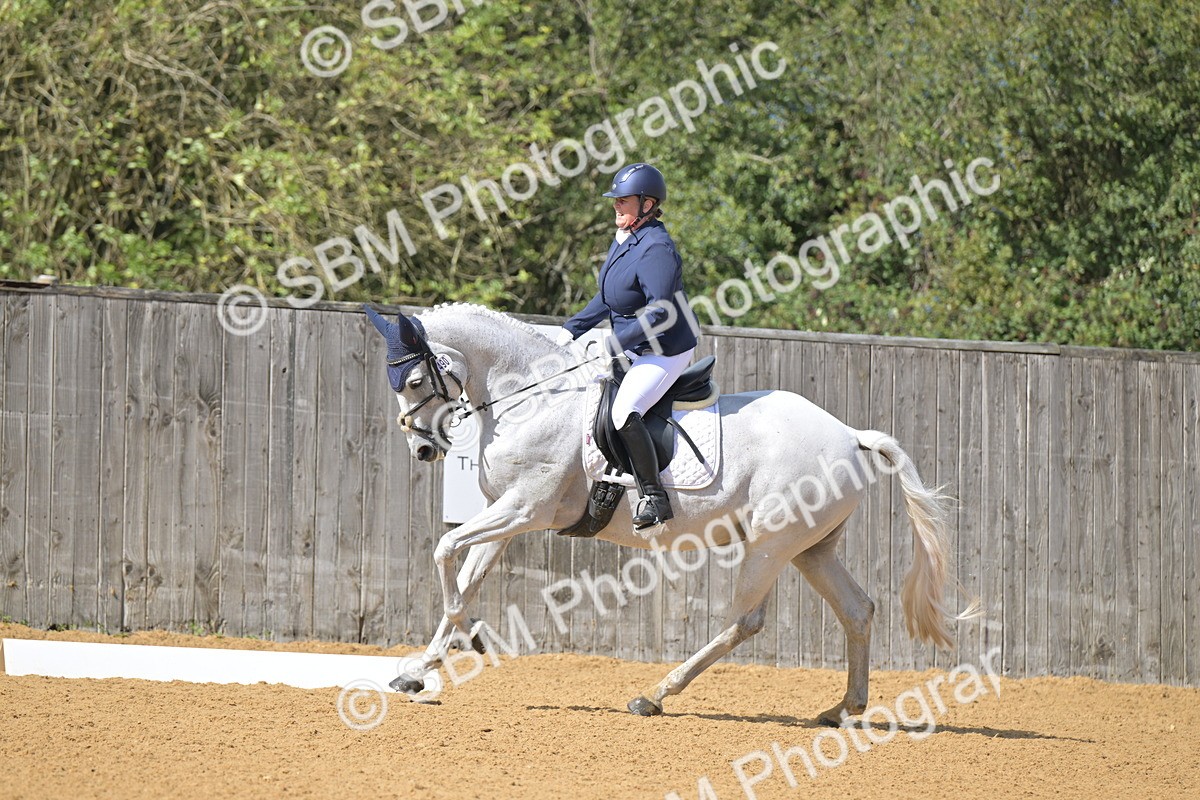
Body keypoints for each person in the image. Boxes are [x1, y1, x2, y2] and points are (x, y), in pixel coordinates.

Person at [557, 163, 698, 528]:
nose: (616, 206)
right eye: (615, 200)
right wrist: (569, 330)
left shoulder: (657, 248)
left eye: (624, 201)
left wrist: (616, 341)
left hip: (664, 349)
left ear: (647, 204)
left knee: (624, 411)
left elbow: (661, 312)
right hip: (635, 344)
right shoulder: (625, 240)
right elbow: (609, 297)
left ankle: (654, 497)